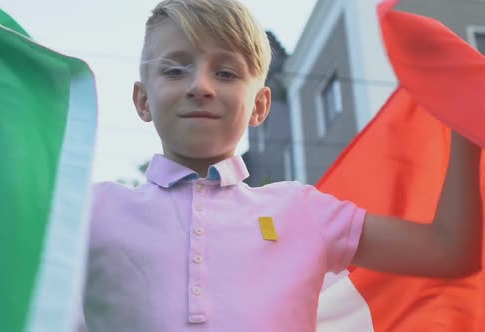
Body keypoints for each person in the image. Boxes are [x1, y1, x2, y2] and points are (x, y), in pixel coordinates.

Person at [82, 0, 482, 331]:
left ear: (260, 106)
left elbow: (449, 251)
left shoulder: (301, 210)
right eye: (174, 70)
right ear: (142, 100)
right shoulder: (87, 211)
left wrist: (466, 117)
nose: (200, 86)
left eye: (225, 72)